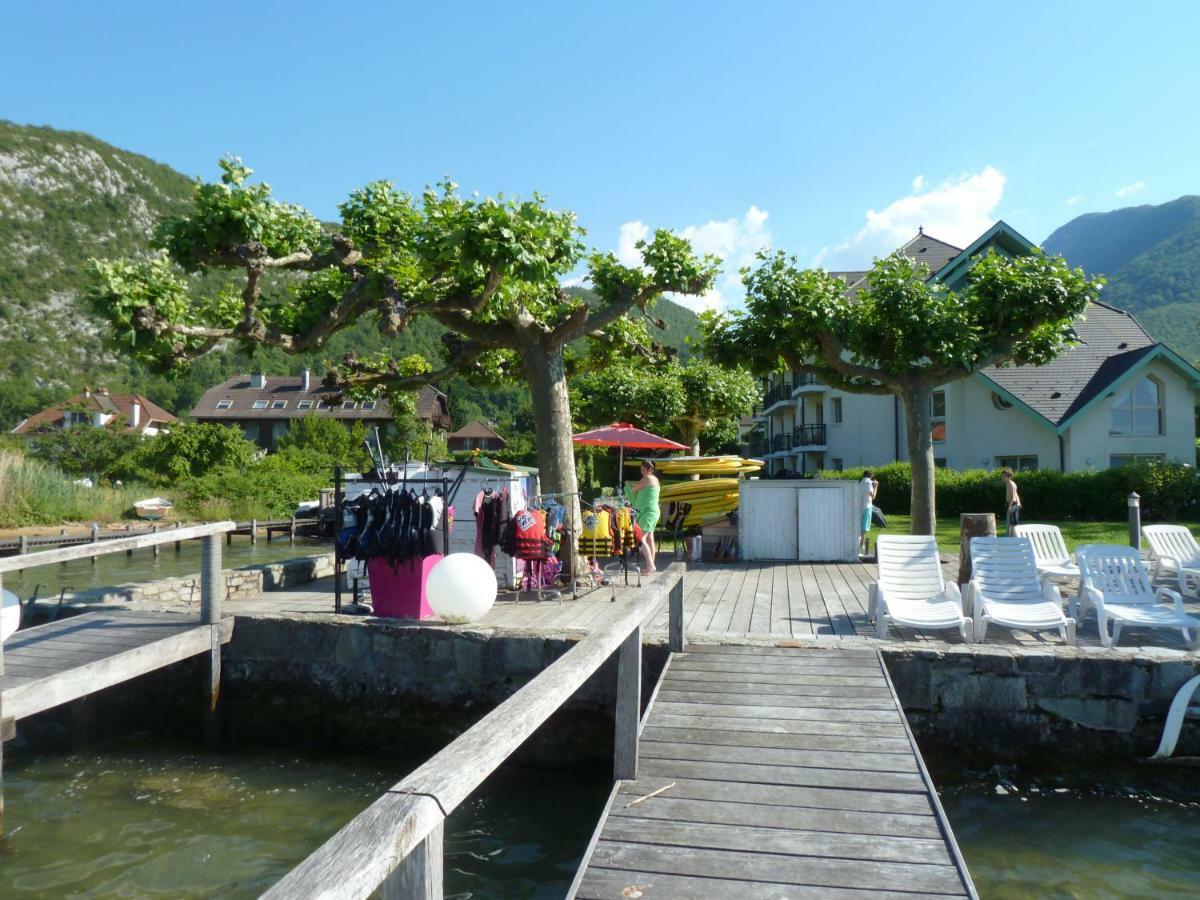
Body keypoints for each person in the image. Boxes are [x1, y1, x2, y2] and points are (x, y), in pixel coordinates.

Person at [625, 460, 661, 576]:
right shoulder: (655, 480)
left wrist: (627, 487)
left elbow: (633, 490)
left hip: (648, 513)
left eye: (643, 470)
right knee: (650, 538)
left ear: (650, 470)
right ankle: (650, 566)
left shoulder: (648, 478)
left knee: (641, 539)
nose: (641, 473)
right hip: (652, 512)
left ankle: (650, 566)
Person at [858, 470, 877, 555]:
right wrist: (876, 486)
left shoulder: (860, 483)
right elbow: (873, 496)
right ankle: (861, 548)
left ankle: (861, 546)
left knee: (860, 527)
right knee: (864, 529)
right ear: (871, 476)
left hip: (859, 507)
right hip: (867, 507)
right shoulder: (869, 483)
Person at [1002, 468, 1021, 534]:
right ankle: (1011, 536)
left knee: (1013, 522)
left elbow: (1012, 497)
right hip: (1013, 504)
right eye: (1002, 476)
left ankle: (1014, 537)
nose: (1003, 478)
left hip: (1012, 504)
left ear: (1009, 477)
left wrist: (1010, 507)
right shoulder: (1010, 483)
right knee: (1012, 521)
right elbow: (1016, 494)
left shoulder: (1010, 484)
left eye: (1004, 476)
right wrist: (1019, 502)